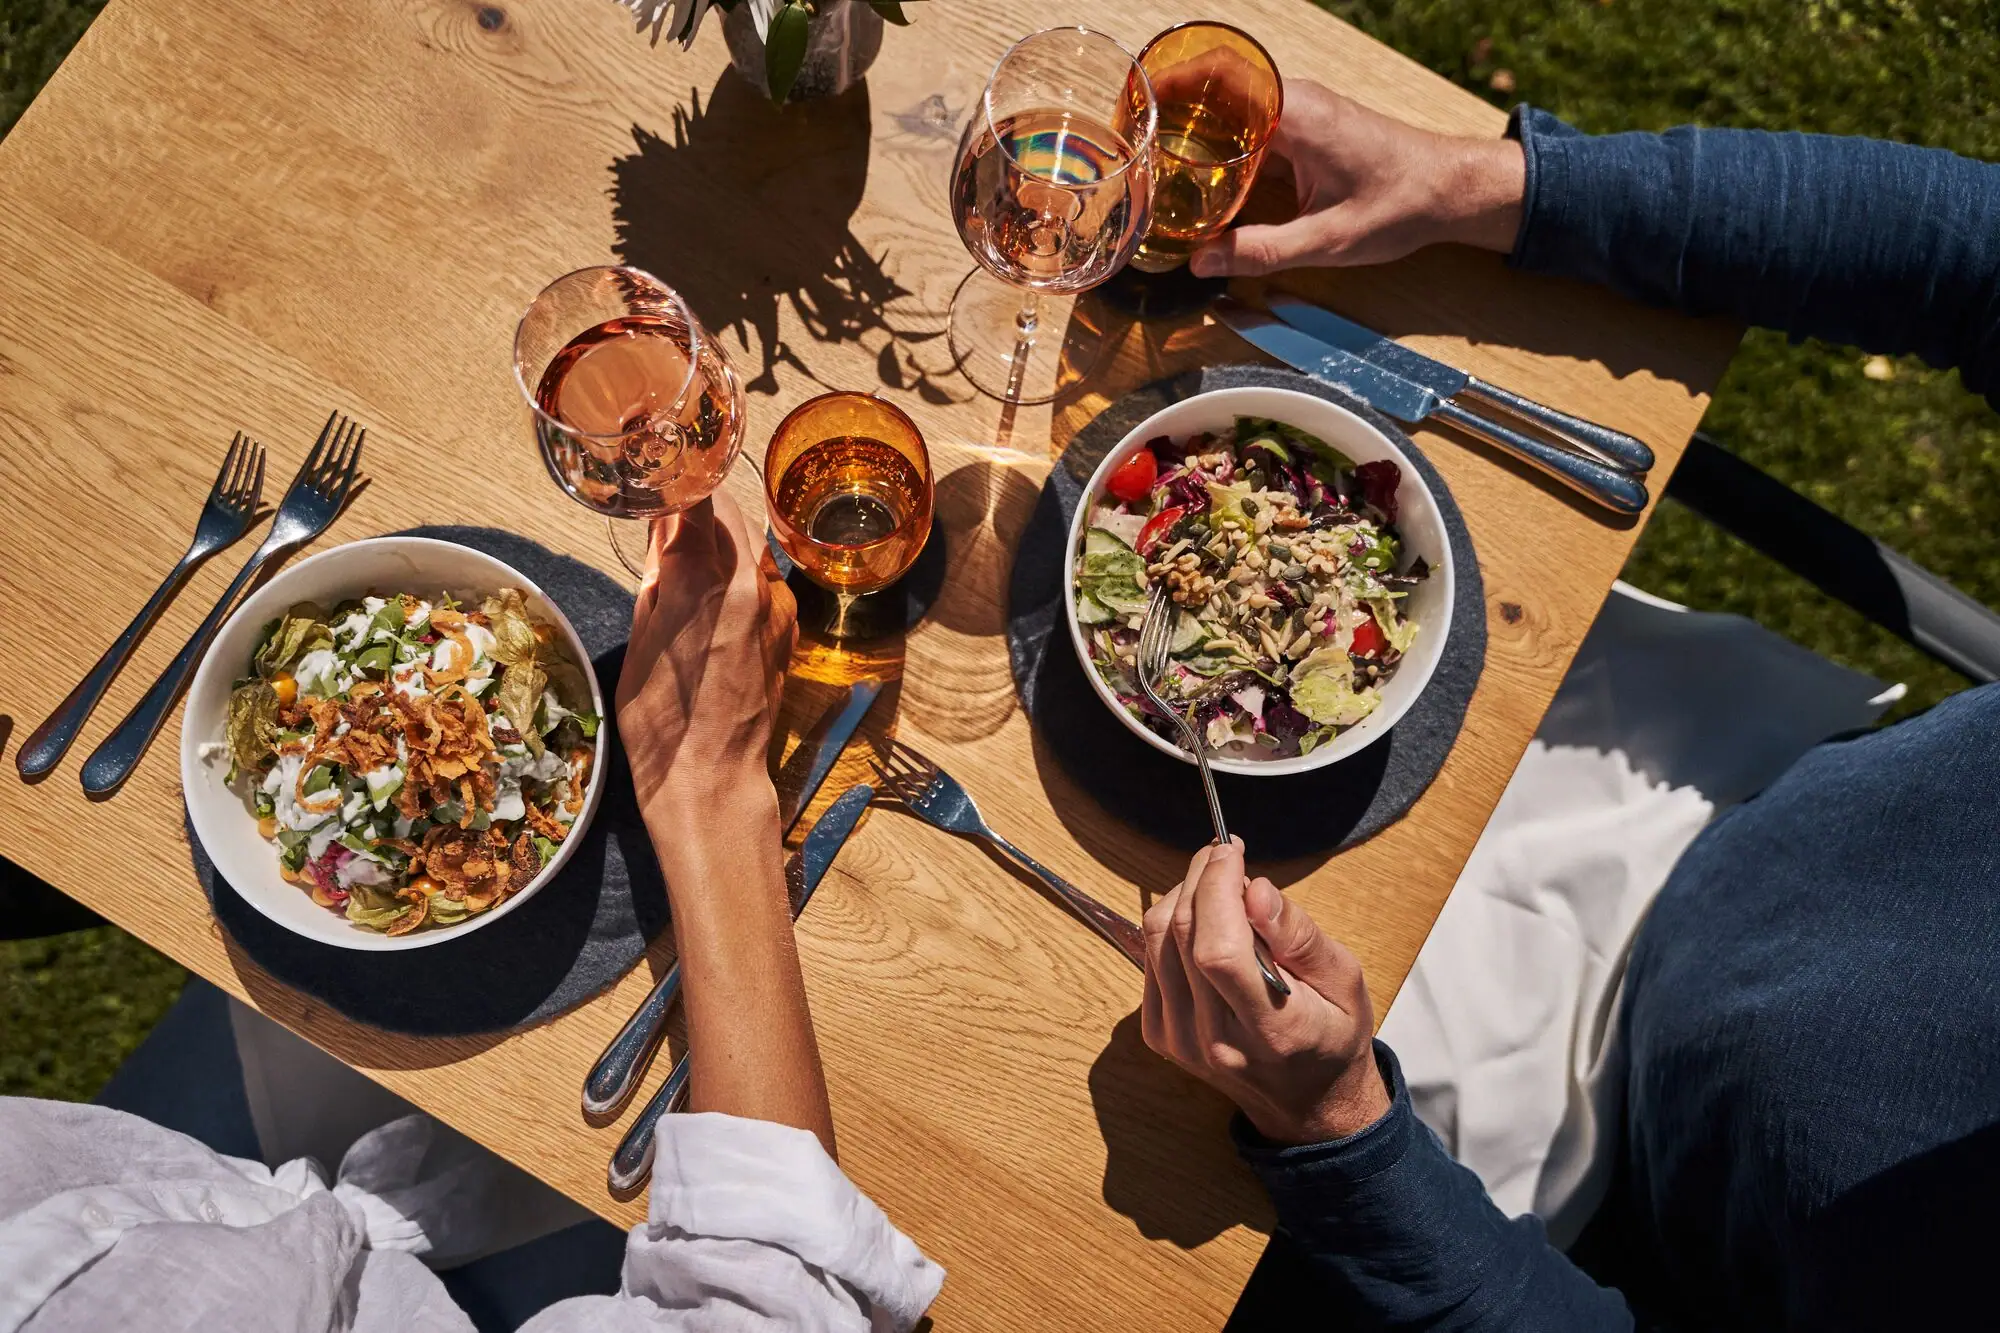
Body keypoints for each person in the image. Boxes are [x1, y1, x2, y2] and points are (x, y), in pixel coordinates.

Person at [1143, 81, 2000, 1329]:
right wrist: (1482, 186)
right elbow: (1973, 257)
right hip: (1715, 784)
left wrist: (1336, 1128)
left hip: (1545, 1197)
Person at [0, 495, 944, 1332]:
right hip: (426, 1255)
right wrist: (710, 787)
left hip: (170, 1166)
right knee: (521, 1147)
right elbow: (776, 1301)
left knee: (291, 1037)